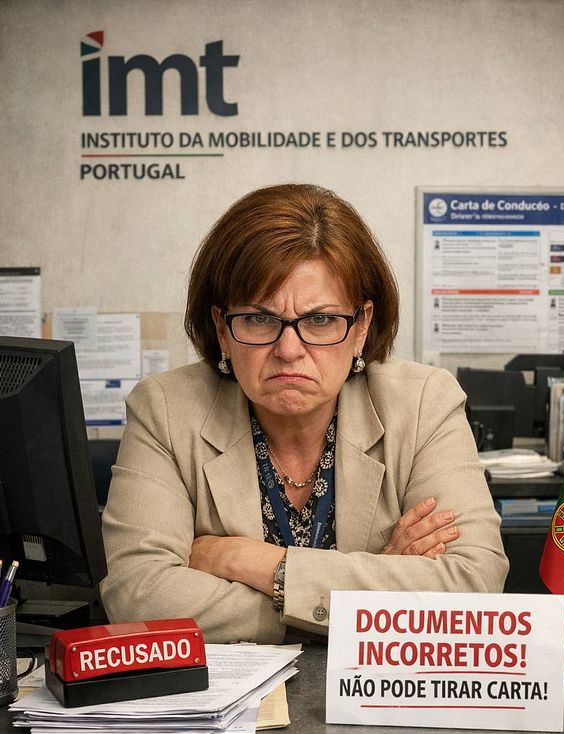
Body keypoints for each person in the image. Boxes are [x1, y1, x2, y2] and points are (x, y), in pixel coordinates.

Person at [101, 184, 508, 642]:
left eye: (320, 320)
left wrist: (253, 564)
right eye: (258, 319)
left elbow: (474, 587)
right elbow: (138, 597)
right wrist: (377, 601)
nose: (289, 350)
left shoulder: (422, 403)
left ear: (361, 327)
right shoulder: (165, 408)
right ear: (221, 328)